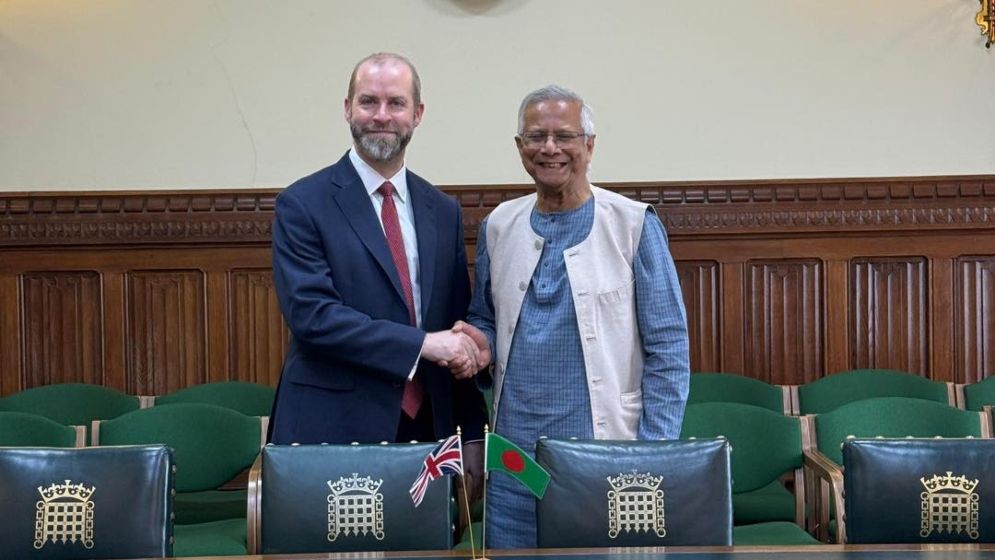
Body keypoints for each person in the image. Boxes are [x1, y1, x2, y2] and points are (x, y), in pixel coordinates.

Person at [463, 85, 690, 548]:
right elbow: (485, 318)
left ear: (589, 144)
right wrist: (478, 344)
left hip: (605, 462)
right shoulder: (498, 226)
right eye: (536, 137)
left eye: (564, 136)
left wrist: (650, 454)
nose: (550, 148)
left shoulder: (632, 225)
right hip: (513, 465)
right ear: (520, 147)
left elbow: (670, 349)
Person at [269, 53, 488, 458]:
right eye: (369, 101)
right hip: (333, 429)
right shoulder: (302, 204)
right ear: (347, 108)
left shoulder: (442, 211)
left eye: (396, 103)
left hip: (430, 431)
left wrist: (472, 432)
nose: (381, 115)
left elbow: (454, 327)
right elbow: (313, 317)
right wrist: (421, 345)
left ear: (418, 114)